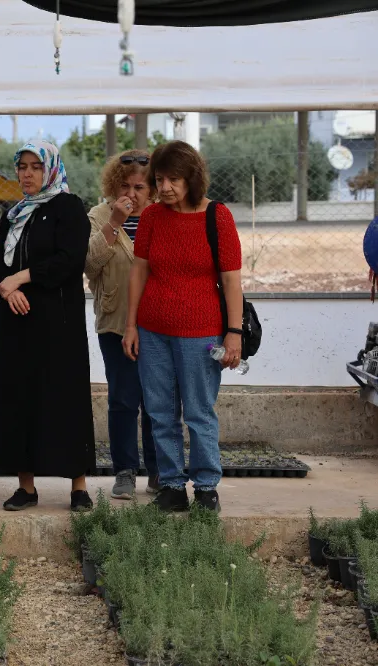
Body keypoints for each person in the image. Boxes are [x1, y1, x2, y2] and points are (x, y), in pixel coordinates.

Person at [123, 140, 243, 514]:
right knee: (159, 412)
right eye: (159, 179)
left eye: (173, 179)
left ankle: (206, 487)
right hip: (152, 331)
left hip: (202, 334)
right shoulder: (152, 217)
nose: (165, 188)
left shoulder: (217, 217)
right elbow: (139, 272)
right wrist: (131, 325)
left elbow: (232, 280)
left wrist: (234, 333)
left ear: (192, 178)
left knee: (198, 412)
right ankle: (172, 486)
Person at [0, 140, 95, 513]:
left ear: (50, 169)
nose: (28, 174)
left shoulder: (69, 207)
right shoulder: (13, 214)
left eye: (36, 166)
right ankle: (26, 487)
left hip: (57, 324)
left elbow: (70, 259)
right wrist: (7, 288)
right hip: (17, 322)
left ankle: (78, 488)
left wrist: (20, 278)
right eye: (22, 167)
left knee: (65, 398)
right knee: (20, 399)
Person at [85, 149, 158, 500]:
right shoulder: (99, 215)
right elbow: (90, 264)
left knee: (158, 402)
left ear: (152, 188)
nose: (132, 194)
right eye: (125, 186)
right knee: (124, 399)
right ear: (113, 186)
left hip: (159, 324)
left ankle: (160, 471)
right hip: (115, 321)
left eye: (140, 187)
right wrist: (114, 223)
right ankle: (125, 471)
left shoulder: (163, 215)